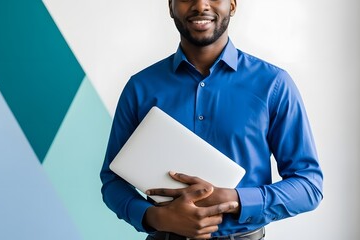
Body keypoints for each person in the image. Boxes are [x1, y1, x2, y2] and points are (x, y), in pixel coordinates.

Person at [100, 0, 323, 239]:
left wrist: (234, 200)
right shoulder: (140, 87)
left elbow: (308, 186)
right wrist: (156, 217)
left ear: (233, 5)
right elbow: (113, 180)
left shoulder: (274, 84)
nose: (201, 5)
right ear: (171, 6)